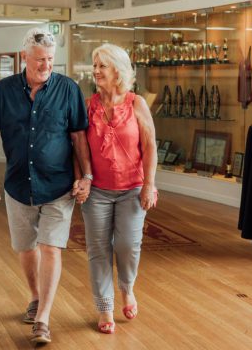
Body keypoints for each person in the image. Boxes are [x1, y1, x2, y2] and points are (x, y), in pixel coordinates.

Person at [0, 28, 92, 344]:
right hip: (17, 183)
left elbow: (79, 136)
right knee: (26, 247)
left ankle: (43, 316)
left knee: (50, 246)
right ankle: (34, 296)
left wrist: (87, 176)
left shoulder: (68, 89)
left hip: (58, 184)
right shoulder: (4, 90)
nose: (46, 65)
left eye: (51, 60)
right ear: (24, 57)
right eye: (40, 59)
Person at [78, 44, 158, 334]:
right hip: (97, 191)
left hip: (132, 190)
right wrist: (83, 179)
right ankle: (105, 308)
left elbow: (150, 147)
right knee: (98, 250)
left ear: (118, 70)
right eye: (94, 65)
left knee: (127, 246)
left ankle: (127, 288)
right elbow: (79, 147)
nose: (96, 71)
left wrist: (149, 185)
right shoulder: (88, 105)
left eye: (102, 66)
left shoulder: (137, 103)